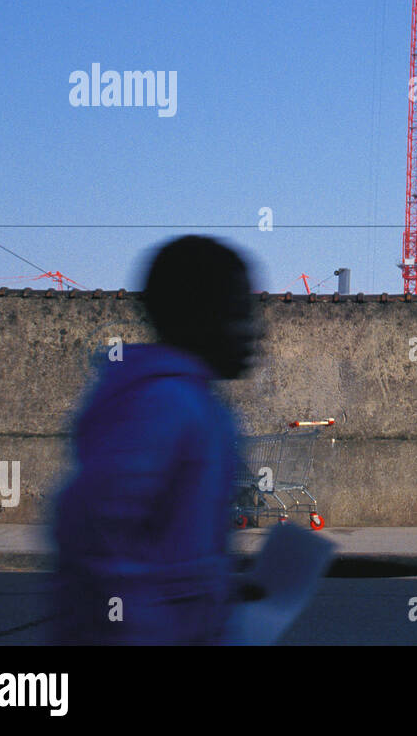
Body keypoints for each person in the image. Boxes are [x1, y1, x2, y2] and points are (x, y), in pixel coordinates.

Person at [50, 236, 260, 645]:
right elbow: (89, 524)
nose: (254, 331)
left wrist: (218, 588)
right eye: (240, 314)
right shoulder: (167, 403)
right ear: (200, 318)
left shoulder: (199, 404)